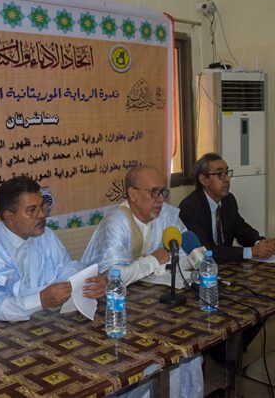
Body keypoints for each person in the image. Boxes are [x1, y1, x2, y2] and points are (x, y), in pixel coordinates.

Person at [81, 165, 203, 398]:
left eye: (163, 192)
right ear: (133, 194)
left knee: (183, 344)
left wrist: (161, 264)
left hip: (152, 303)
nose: (160, 199)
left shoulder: (167, 215)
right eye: (154, 192)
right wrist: (154, 260)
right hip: (110, 313)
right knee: (144, 361)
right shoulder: (117, 222)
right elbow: (114, 277)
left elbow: (188, 256)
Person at [0, 175, 107, 323]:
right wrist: (39, 300)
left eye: (42, 207)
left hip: (42, 323)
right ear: (9, 217)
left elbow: (63, 268)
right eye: (32, 210)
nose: (41, 215)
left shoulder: (45, 236)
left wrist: (89, 281)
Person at [178, 152, 275, 263]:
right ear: (204, 180)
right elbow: (204, 250)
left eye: (227, 173)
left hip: (225, 265)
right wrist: (251, 252)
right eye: (220, 174)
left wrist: (260, 243)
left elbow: (242, 231)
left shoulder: (228, 200)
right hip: (202, 268)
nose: (227, 179)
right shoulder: (191, 207)